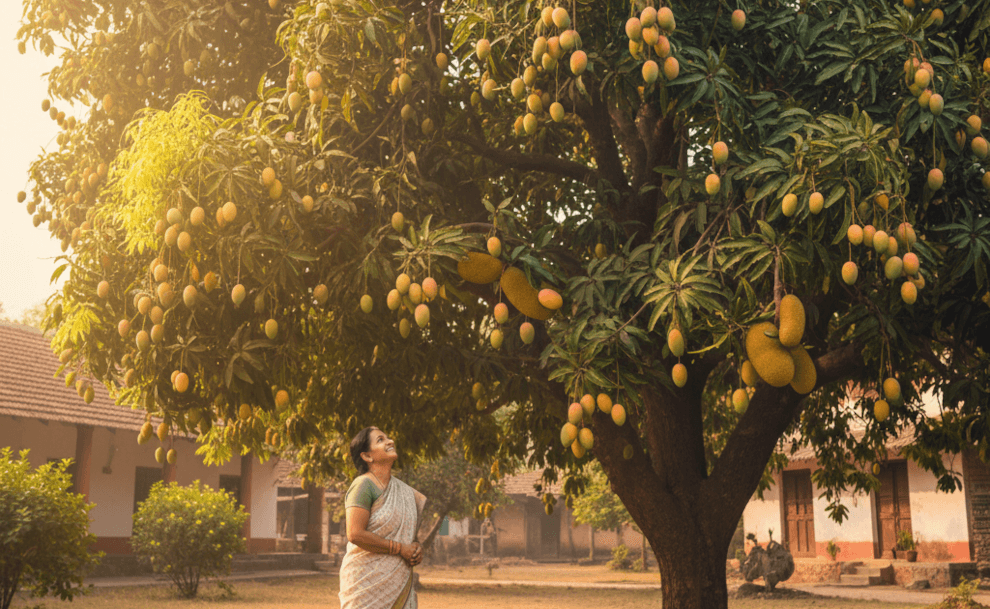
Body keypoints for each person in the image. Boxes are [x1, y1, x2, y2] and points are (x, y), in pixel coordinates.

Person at [338, 427, 427, 609]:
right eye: (380, 440)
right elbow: (355, 534)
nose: (390, 441)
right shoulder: (363, 486)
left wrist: (416, 548)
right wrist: (400, 548)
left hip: (399, 583)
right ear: (367, 456)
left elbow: (407, 535)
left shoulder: (406, 492)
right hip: (365, 583)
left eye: (388, 438)